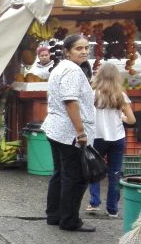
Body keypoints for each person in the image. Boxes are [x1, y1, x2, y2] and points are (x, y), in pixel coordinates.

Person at [42, 33, 96, 232]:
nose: (83, 51)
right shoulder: (72, 70)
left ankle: (54, 215)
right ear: (67, 51)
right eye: (78, 48)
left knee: (61, 174)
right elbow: (70, 101)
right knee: (75, 177)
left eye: (86, 48)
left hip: (56, 128)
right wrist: (81, 132)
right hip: (69, 132)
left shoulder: (61, 68)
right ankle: (69, 220)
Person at [87, 61, 136, 217]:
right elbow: (132, 120)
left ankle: (94, 203)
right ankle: (112, 209)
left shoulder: (92, 93)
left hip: (97, 137)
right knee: (114, 173)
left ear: (99, 75)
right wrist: (120, 116)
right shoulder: (121, 95)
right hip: (117, 137)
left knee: (94, 170)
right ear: (116, 78)